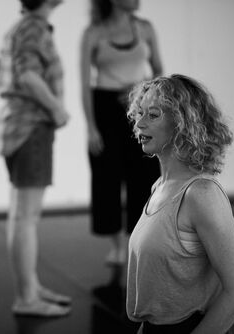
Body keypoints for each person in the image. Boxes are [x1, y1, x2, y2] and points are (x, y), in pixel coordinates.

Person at [126, 74, 234, 333]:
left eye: (153, 115)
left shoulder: (202, 194)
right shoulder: (159, 187)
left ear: (182, 123)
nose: (139, 123)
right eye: (139, 113)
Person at [0, 0, 71, 317]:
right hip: (31, 128)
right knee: (26, 217)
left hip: (19, 128)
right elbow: (27, 75)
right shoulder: (32, 28)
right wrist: (56, 108)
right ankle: (26, 297)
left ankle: (31, 286)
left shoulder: (24, 27)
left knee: (21, 215)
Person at [80, 0, 163, 265]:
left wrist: (139, 88)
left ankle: (139, 240)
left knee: (145, 174)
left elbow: (159, 71)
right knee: (107, 176)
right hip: (105, 109)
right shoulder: (93, 32)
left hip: (140, 106)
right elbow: (84, 85)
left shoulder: (145, 28)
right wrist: (91, 128)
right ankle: (117, 245)